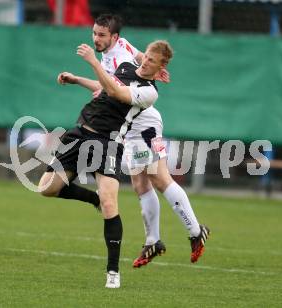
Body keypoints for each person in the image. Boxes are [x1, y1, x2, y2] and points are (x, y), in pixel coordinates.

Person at [57, 14, 210, 268]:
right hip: (127, 123)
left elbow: (115, 89)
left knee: (160, 178)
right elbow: (136, 60)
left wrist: (154, 70)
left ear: (113, 37)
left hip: (142, 121)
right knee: (140, 183)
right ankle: (153, 241)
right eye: (94, 33)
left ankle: (195, 231)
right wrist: (77, 79)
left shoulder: (120, 60)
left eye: (102, 35)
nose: (96, 38)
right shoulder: (122, 51)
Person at [39, 39, 173, 288]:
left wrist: (92, 60)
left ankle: (113, 272)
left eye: (152, 61)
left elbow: (116, 92)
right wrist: (77, 79)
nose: (145, 62)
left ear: (160, 66)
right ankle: (94, 200)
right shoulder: (124, 65)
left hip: (109, 142)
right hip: (80, 133)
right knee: (47, 188)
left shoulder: (150, 92)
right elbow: (104, 86)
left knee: (111, 203)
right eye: (145, 57)